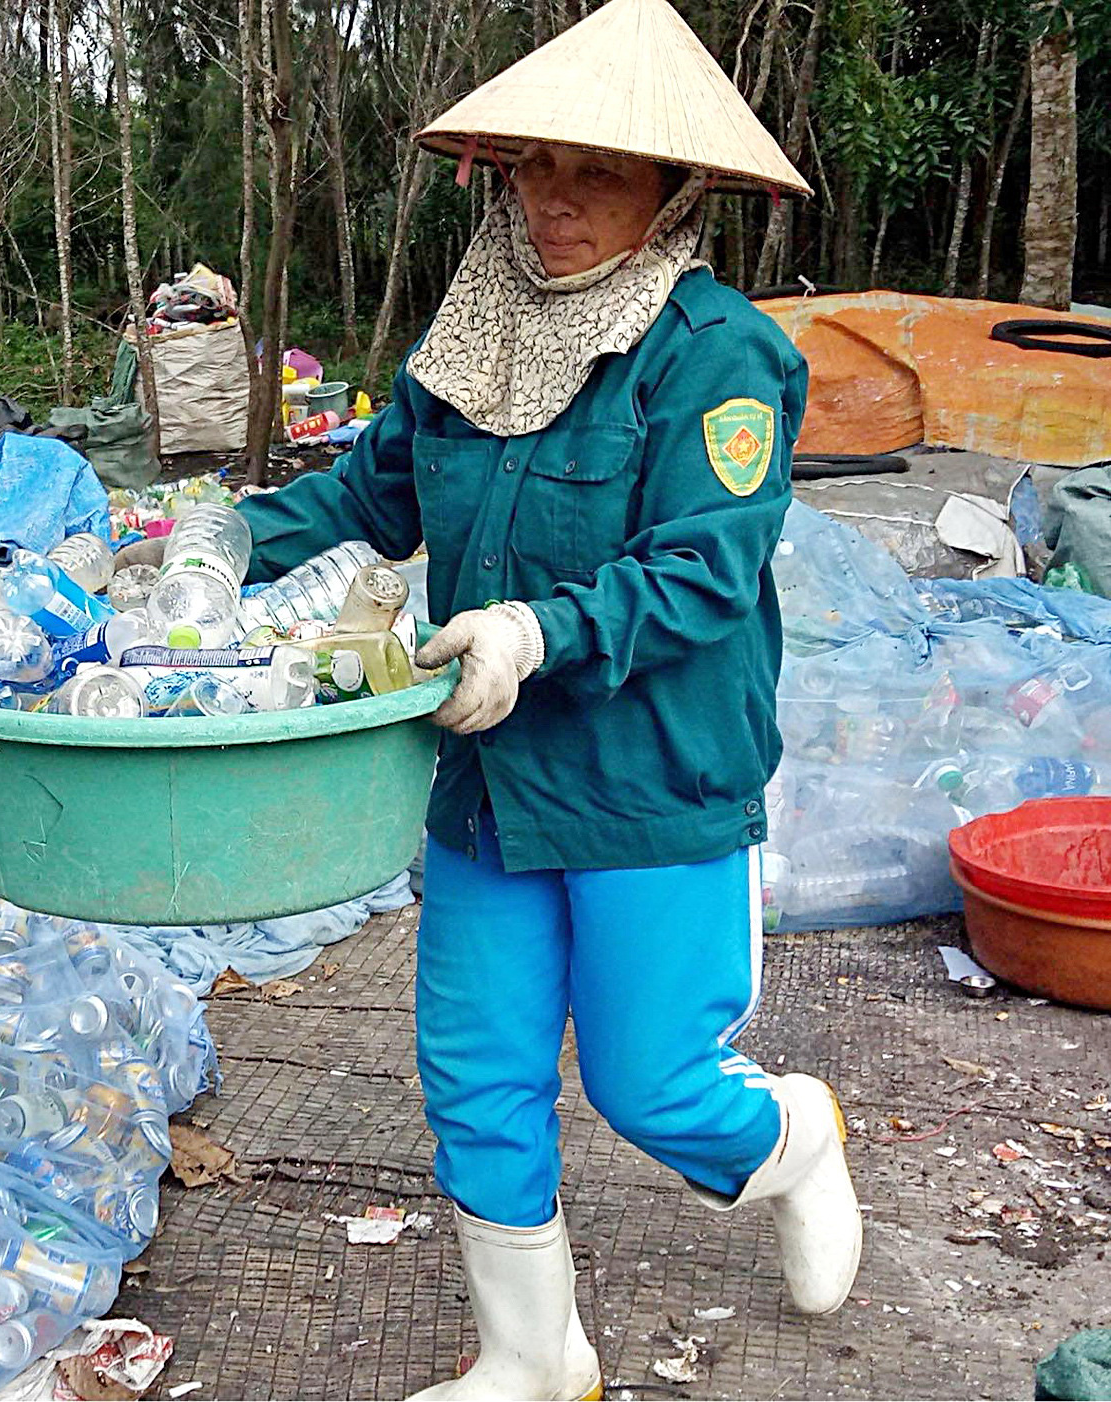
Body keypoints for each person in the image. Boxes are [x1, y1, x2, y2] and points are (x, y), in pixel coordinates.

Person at [239, 1, 859, 1396]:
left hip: (650, 782)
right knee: (474, 1078)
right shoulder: (468, 339)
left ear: (670, 193)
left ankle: (794, 1139)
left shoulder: (718, 356)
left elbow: (705, 567)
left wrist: (533, 626)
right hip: (485, 785)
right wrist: (219, 545)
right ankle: (533, 1358)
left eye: (602, 175)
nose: (558, 203)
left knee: (650, 1085)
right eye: (534, 168)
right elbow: (368, 494)